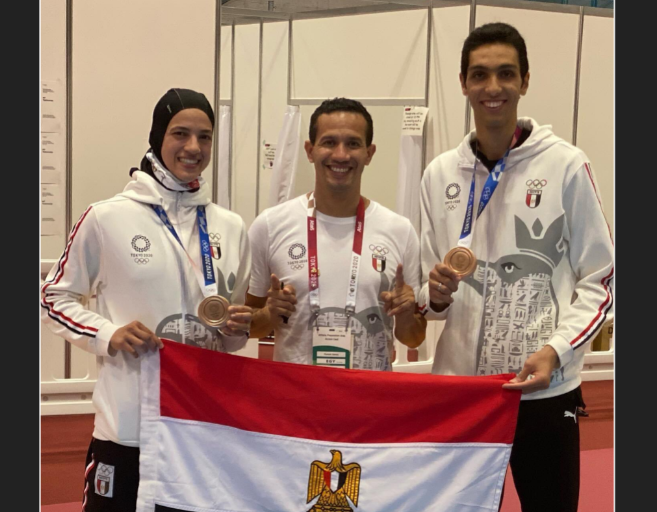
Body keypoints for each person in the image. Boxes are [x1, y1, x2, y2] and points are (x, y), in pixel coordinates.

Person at [418, 23, 614, 512]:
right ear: (462, 82)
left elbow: (602, 278)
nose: (493, 88)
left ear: (525, 81)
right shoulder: (440, 173)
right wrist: (436, 294)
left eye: (506, 74)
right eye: (479, 75)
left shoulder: (566, 165)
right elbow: (429, 298)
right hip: (462, 395)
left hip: (542, 391)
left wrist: (557, 349)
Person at [40, 88, 253, 511]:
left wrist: (235, 327)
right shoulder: (107, 217)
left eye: (205, 137)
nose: (193, 148)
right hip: (128, 429)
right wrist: (107, 332)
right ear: (158, 137)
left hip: (200, 427)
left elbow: (230, 342)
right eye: (181, 133)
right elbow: (53, 297)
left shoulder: (230, 226)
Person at [246, 98, 426, 370]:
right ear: (310, 150)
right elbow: (249, 326)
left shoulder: (400, 230)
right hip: (298, 401)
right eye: (329, 142)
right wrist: (270, 314)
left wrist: (404, 315)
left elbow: (413, 337)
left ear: (369, 153)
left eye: (353, 143)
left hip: (369, 402)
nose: (341, 155)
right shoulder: (270, 225)